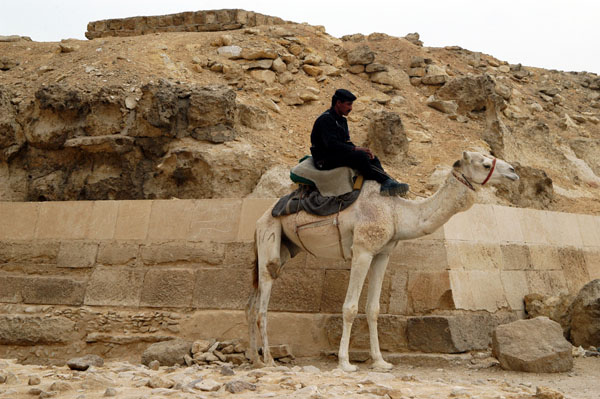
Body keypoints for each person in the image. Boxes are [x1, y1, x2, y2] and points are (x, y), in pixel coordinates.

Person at [310, 88, 409, 196]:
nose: (350, 108)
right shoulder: (326, 120)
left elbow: (345, 142)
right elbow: (332, 144)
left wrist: (362, 149)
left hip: (334, 154)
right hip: (324, 160)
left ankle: (386, 181)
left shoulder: (341, 120)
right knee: (361, 157)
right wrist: (355, 149)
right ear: (338, 103)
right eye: (348, 104)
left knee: (370, 156)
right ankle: (382, 180)